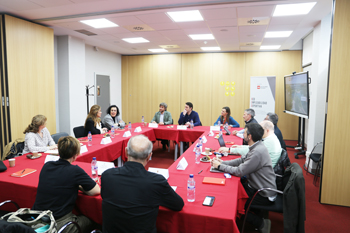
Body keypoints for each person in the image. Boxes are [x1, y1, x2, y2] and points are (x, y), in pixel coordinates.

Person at [101, 135, 184, 233]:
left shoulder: (107, 176)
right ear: (149, 156)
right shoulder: (156, 182)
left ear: (126, 152)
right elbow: (178, 204)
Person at [212, 123, 276, 233]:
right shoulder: (257, 145)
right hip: (256, 185)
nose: (243, 134)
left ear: (250, 136)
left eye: (245, 133)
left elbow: (239, 171)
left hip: (263, 193)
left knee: (234, 205)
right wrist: (223, 162)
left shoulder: (257, 152)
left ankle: (262, 224)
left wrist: (220, 167)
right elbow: (241, 160)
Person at [32, 136, 100, 233]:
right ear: (75, 155)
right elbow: (96, 191)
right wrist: (80, 186)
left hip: (38, 219)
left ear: (59, 152)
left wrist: (75, 185)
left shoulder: (47, 166)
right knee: (95, 219)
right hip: (60, 224)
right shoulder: (75, 171)